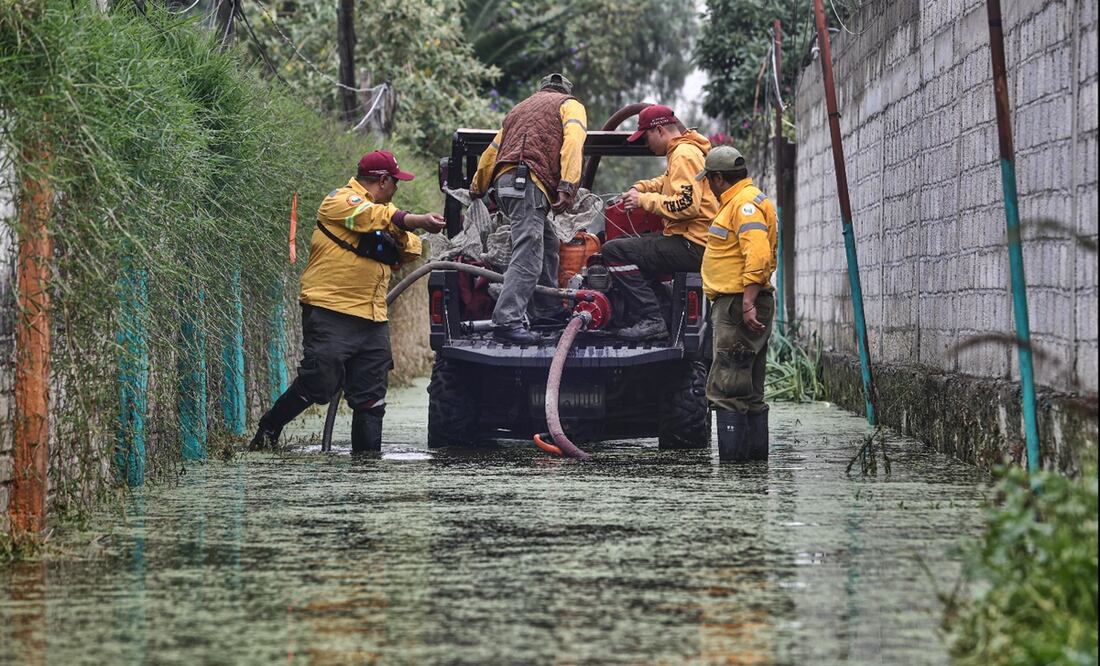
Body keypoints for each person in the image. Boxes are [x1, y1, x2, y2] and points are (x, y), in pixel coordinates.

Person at [249, 150, 446, 454]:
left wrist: (403, 230)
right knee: (319, 381)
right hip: (331, 311)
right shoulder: (339, 201)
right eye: (395, 182)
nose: (396, 189)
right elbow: (368, 216)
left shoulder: (385, 211)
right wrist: (412, 220)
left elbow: (411, 250)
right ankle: (268, 429)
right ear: (383, 180)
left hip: (373, 318)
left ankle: (366, 468)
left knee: (371, 398)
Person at [469, 73, 588, 345]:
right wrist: (568, 185)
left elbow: (493, 151)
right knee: (529, 252)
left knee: (546, 241)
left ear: (542, 90)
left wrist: (478, 184)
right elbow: (573, 143)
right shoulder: (570, 105)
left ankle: (547, 310)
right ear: (565, 91)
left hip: (505, 184)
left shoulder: (519, 109)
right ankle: (507, 320)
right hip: (528, 182)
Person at [605, 104, 719, 340]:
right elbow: (667, 182)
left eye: (646, 137)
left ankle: (652, 319)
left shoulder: (683, 155)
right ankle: (663, 309)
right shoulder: (684, 151)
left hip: (692, 244)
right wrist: (642, 187)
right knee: (639, 246)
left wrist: (643, 200)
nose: (646, 144)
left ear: (659, 131)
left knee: (613, 251)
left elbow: (687, 205)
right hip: (695, 241)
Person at [697, 146, 778, 461]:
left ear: (719, 178)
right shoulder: (751, 199)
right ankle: (754, 469)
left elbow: (757, 253)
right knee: (750, 391)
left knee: (729, 388)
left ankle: (735, 471)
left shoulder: (742, 205)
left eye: (710, 180)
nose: (709, 186)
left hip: (737, 304)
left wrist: (746, 303)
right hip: (745, 301)